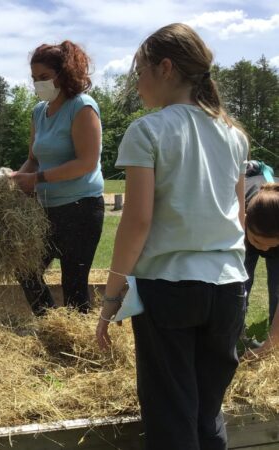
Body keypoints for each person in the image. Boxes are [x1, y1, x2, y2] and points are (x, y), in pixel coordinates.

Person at [95, 23, 249, 450]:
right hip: (229, 288)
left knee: (171, 418)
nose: (136, 83)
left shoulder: (148, 131)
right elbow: (238, 215)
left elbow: (137, 221)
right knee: (207, 414)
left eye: (139, 71)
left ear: (165, 68)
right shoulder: (234, 135)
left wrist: (111, 298)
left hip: (169, 289)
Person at [11, 40, 104, 314]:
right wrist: (14, 180)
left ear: (63, 75)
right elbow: (33, 159)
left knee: (74, 284)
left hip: (81, 208)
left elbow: (86, 162)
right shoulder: (39, 112)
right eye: (34, 78)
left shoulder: (82, 107)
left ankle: (75, 335)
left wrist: (37, 180)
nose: (38, 84)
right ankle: (51, 324)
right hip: (47, 209)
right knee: (26, 269)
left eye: (44, 77)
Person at [243, 171, 279, 358]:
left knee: (276, 288)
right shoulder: (236, 212)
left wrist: (269, 344)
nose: (264, 249)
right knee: (240, 284)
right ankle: (235, 331)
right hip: (244, 238)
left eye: (270, 245)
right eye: (258, 242)